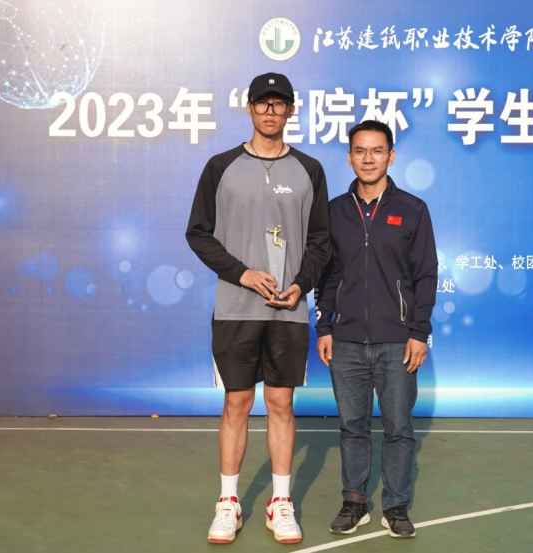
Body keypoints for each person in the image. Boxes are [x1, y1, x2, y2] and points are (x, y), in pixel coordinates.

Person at [186, 72, 330, 544]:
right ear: (249, 108)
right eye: (263, 103)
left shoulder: (309, 170)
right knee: (237, 402)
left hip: (288, 311)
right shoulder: (220, 167)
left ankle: (280, 502)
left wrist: (301, 285)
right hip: (235, 308)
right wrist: (242, 274)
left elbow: (321, 241)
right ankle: (228, 502)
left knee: (281, 403)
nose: (271, 111)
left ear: (291, 110)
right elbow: (198, 234)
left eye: (279, 103)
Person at [315, 120, 437, 538]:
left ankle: (396, 507)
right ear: (349, 157)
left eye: (377, 150)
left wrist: (418, 332)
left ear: (391, 156)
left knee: (399, 428)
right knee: (353, 427)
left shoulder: (413, 209)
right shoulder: (333, 211)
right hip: (345, 340)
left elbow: (426, 274)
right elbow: (328, 274)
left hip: (397, 341)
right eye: (360, 150)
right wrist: (324, 326)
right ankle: (354, 502)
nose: (369, 158)